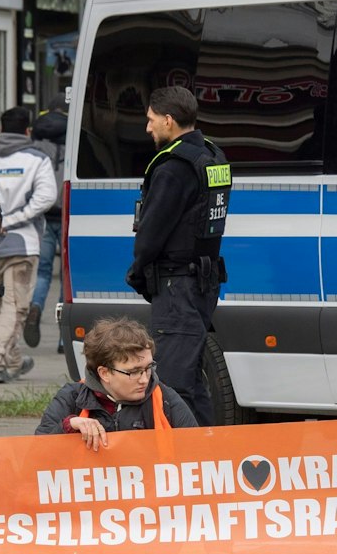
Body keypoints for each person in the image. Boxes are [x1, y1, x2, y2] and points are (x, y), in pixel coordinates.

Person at [126, 86, 231, 425]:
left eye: (151, 120)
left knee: (171, 383)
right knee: (193, 382)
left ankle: (181, 464)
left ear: (168, 120)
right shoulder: (213, 156)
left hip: (177, 285)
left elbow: (152, 231)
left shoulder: (174, 167)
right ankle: (207, 454)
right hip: (204, 280)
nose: (148, 127)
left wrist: (138, 271)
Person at [0, 107, 57, 384]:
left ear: (0, 128)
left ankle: (15, 361)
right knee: (15, 306)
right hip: (23, 243)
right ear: (27, 131)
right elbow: (46, 197)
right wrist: (14, 219)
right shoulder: (37, 159)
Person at [35, 318, 198, 449]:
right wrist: (69, 425)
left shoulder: (165, 398)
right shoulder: (72, 398)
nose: (144, 379)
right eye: (133, 372)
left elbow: (199, 453)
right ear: (104, 373)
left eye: (148, 368)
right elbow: (36, 456)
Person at [23, 107, 67, 349]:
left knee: (43, 272)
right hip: (66, 215)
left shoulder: (37, 141)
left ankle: (36, 307)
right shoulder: (71, 138)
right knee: (66, 279)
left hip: (42, 216)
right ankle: (63, 337)